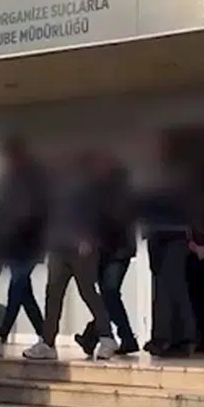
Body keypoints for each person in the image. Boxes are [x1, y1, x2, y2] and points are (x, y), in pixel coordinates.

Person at [25, 152, 117, 361]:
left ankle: (107, 337)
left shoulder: (87, 188)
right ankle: (48, 343)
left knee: (88, 292)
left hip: (80, 248)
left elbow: (96, 215)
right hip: (57, 247)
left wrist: (88, 238)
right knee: (53, 295)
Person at [139, 140, 204, 358]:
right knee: (164, 286)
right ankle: (173, 338)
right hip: (157, 235)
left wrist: (199, 241)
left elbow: (195, 208)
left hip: (176, 236)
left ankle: (174, 338)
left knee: (171, 285)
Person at [0, 139, 48, 357]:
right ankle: (46, 336)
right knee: (24, 293)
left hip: (31, 245)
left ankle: (0, 335)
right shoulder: (7, 184)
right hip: (14, 245)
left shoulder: (34, 182)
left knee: (17, 286)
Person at [75, 152, 139, 356]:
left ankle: (113, 336)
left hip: (118, 250)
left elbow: (115, 220)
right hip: (107, 250)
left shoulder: (120, 192)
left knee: (109, 293)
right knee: (107, 295)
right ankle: (95, 336)